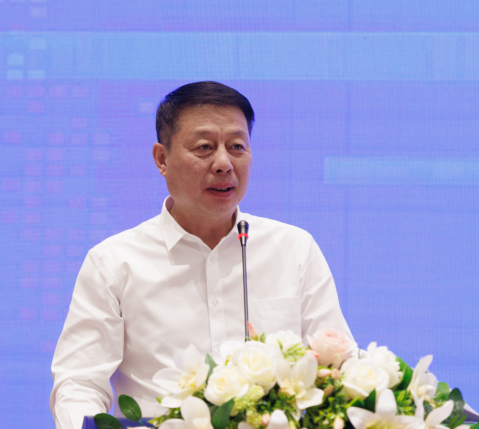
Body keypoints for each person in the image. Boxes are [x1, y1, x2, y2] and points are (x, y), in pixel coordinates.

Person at [50, 81, 353, 429]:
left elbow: (341, 367)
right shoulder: (113, 263)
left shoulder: (294, 249)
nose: (224, 163)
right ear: (162, 159)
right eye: (204, 147)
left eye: (237, 146)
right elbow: (79, 383)